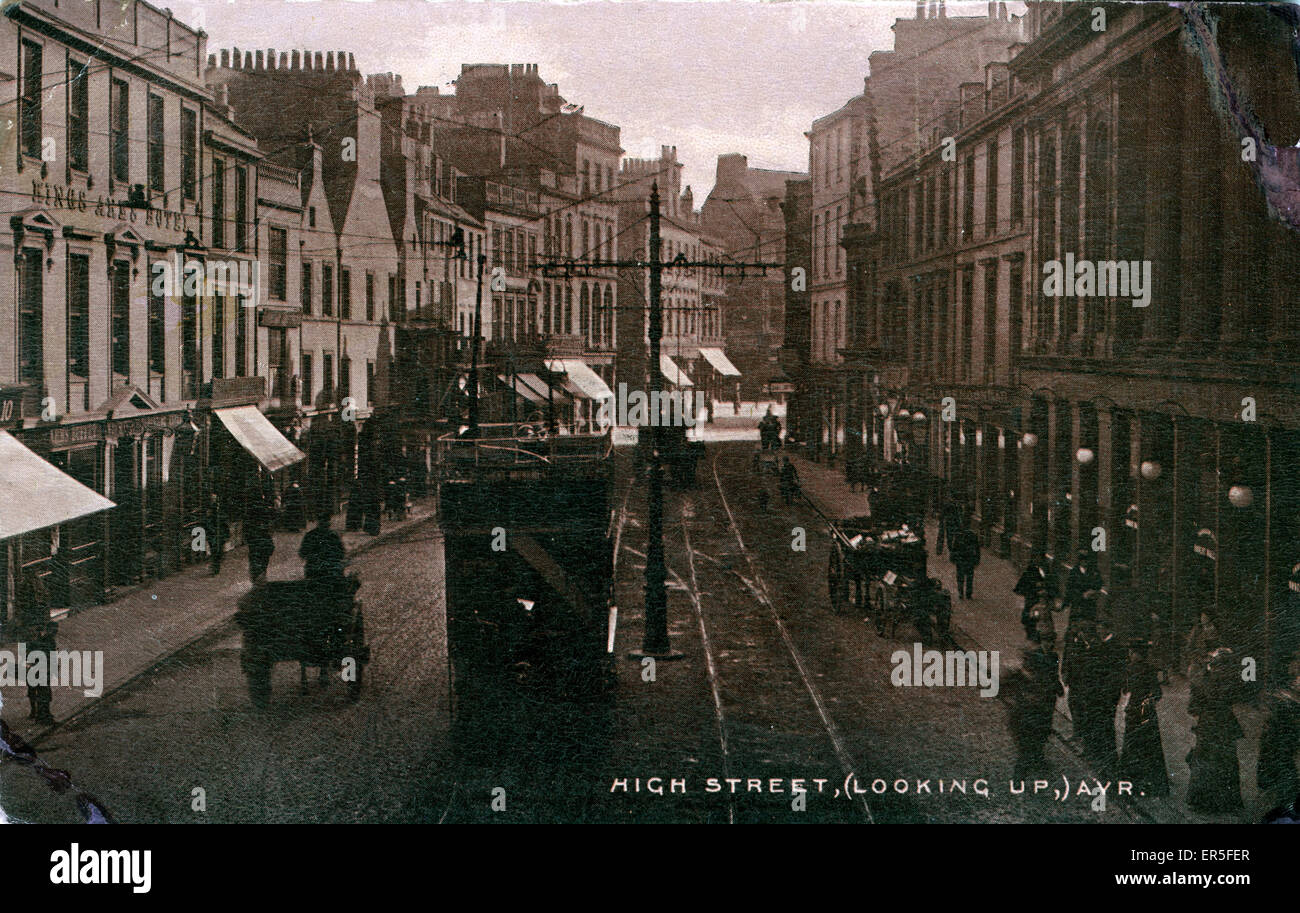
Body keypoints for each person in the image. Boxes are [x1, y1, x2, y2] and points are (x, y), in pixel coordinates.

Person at [1186, 641, 1244, 814]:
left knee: (1208, 760)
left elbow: (1194, 706)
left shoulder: (1207, 681)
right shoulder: (1227, 681)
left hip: (1211, 724)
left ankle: (1205, 801)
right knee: (1223, 761)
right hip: (1221, 724)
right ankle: (1223, 800)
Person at [1007, 619, 1063, 779]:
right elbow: (1026, 676)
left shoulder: (1053, 656)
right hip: (1033, 702)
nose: (1049, 645)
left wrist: (1058, 686)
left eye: (1051, 642)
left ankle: (1038, 758)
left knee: (1044, 730)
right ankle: (1019, 774)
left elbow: (1053, 674)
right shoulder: (1034, 657)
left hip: (1047, 701)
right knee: (1030, 737)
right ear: (1041, 642)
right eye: (1046, 642)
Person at [1119, 640, 1170, 797]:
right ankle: (1149, 782)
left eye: (1132, 652)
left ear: (1137, 654)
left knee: (1133, 745)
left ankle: (1131, 782)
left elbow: (1125, 689)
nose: (1130, 655)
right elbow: (1157, 693)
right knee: (1149, 748)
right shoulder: (1148, 670)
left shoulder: (1132, 669)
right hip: (1146, 714)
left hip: (1136, 713)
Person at [16, 567, 57, 725]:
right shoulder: (38, 594)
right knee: (43, 681)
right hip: (39, 646)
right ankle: (43, 714)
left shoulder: (24, 593)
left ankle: (35, 710)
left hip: (30, 644)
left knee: (32, 678)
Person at [300, 512, 347, 588]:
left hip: (314, 569)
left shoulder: (310, 535)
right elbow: (341, 554)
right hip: (332, 570)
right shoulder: (334, 535)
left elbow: (302, 553)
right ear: (329, 523)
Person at [1015, 550, 1054, 640]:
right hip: (1032, 599)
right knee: (1031, 616)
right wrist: (1035, 590)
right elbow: (1023, 586)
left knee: (1045, 616)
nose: (1039, 560)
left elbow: (1051, 583)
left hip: (1043, 600)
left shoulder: (1047, 571)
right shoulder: (1030, 571)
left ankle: (1045, 634)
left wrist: (1047, 591)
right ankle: (1031, 634)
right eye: (1037, 558)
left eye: (1041, 559)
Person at [1062, 548, 1104, 624]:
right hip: (1078, 605)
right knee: (1076, 626)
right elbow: (1070, 589)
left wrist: (1092, 591)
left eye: (1086, 560)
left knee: (1090, 625)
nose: (1085, 562)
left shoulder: (1094, 571)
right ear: (1079, 561)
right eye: (1083, 560)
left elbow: (1099, 583)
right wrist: (1081, 595)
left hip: (1090, 605)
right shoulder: (1074, 573)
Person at [244, 489, 278, 584]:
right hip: (263, 538)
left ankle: (257, 577)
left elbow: (246, 524)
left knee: (255, 558)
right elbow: (273, 518)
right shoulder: (266, 509)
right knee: (263, 558)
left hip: (254, 538)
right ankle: (261, 575)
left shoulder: (249, 510)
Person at [950, 523, 981, 600]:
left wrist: (953, 558)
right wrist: (977, 559)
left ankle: (961, 593)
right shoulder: (973, 535)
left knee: (961, 577)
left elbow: (954, 548)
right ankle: (968, 594)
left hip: (961, 559)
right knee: (969, 577)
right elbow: (977, 549)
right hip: (969, 559)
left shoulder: (958, 535)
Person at [206, 493, 228, 576]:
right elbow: (208, 521)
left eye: (215, 499)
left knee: (218, 551)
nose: (214, 500)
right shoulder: (210, 509)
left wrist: (225, 533)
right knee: (214, 551)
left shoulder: (220, 508)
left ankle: (216, 567)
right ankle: (215, 568)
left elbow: (224, 521)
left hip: (220, 533)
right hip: (214, 533)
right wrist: (212, 530)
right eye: (212, 499)